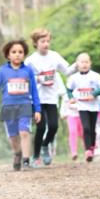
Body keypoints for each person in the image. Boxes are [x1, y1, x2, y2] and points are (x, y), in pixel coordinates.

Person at [0, 39, 41, 171]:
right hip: (8, 106)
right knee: (13, 135)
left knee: (24, 132)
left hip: (25, 105)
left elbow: (34, 91)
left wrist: (37, 109)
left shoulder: (28, 71)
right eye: (14, 52)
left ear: (24, 55)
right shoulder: (2, 71)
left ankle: (26, 160)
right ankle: (17, 153)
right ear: (8, 55)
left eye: (20, 52)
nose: (17, 54)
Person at [26, 28, 76, 168]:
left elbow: (67, 71)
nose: (46, 44)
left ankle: (45, 145)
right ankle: (36, 157)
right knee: (41, 127)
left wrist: (77, 65)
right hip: (37, 99)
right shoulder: (30, 60)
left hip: (51, 98)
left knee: (53, 126)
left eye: (48, 41)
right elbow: (24, 77)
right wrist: (38, 78)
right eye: (43, 41)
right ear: (36, 43)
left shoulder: (55, 56)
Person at [66, 53, 100, 162]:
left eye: (86, 62)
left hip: (94, 107)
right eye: (82, 62)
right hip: (82, 106)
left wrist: (94, 94)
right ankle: (88, 150)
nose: (84, 64)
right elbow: (69, 89)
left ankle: (92, 147)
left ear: (90, 63)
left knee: (92, 129)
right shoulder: (74, 77)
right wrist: (71, 97)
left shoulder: (95, 76)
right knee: (86, 128)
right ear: (77, 64)